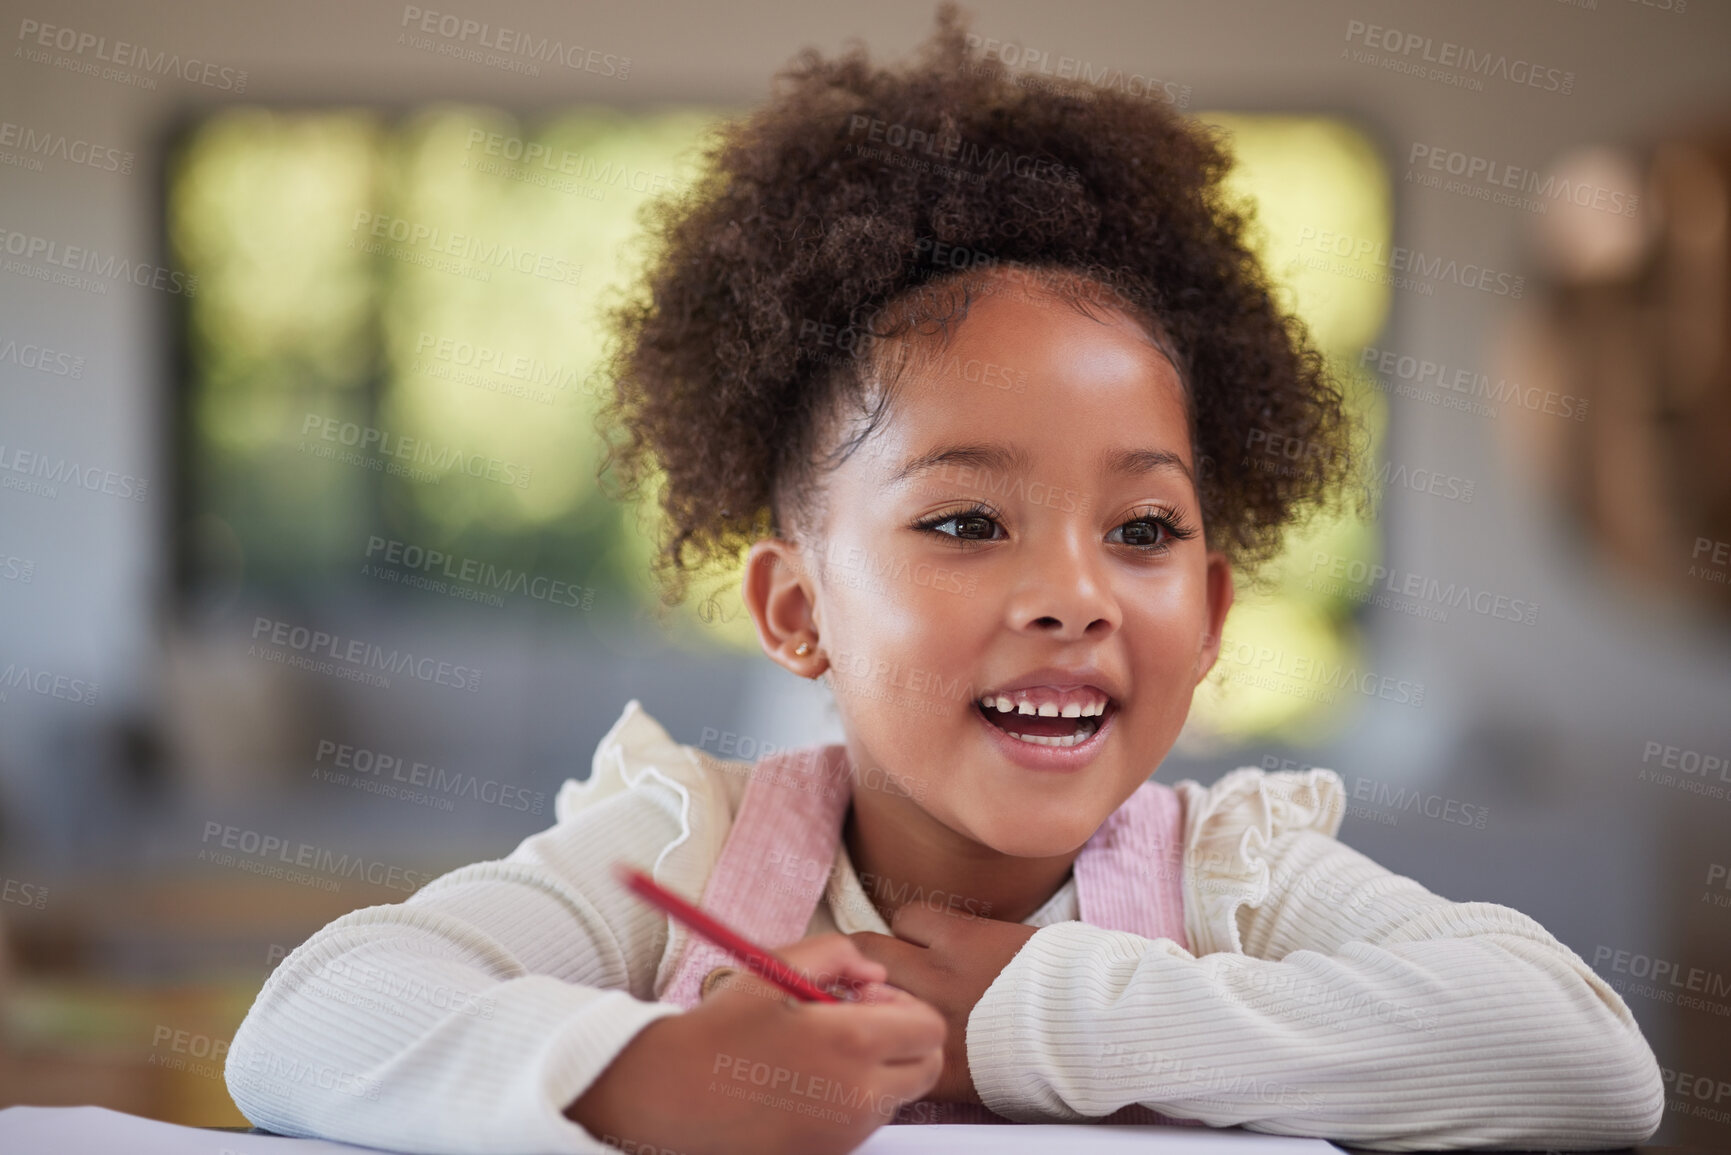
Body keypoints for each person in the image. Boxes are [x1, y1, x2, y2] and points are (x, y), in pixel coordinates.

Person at [225, 5, 1666, 1153]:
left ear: (1215, 616)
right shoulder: (687, 853)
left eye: (1145, 531)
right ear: (798, 611)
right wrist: (638, 1079)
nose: (1074, 594)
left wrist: (1039, 1023)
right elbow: (308, 1022)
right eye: (970, 523)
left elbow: (1588, 1063)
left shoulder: (1231, 879)